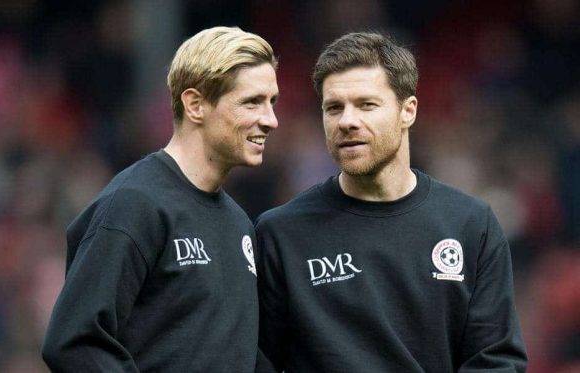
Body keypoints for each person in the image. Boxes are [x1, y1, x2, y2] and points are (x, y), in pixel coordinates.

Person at [255, 32, 527, 372]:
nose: (347, 121)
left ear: (407, 111)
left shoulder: (472, 225)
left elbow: (496, 362)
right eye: (333, 108)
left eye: (366, 104)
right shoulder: (280, 233)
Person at [42, 26, 279, 372]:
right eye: (252, 102)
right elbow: (75, 341)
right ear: (195, 104)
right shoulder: (134, 205)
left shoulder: (240, 223)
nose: (270, 120)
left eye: (272, 102)